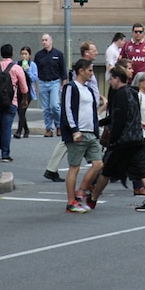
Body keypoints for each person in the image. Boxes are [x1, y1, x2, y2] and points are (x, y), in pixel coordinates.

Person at [89, 65, 145, 212]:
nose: (110, 82)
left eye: (111, 79)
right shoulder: (132, 92)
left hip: (123, 141)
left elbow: (118, 119)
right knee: (142, 170)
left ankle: (93, 199)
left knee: (107, 170)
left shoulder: (120, 94)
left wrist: (113, 139)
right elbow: (131, 115)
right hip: (136, 138)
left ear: (117, 78)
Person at [43, 41, 102, 182]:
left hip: (89, 110)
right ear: (86, 53)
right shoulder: (80, 73)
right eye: (93, 50)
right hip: (79, 118)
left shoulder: (89, 69)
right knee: (68, 145)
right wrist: (74, 128)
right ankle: (53, 170)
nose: (96, 52)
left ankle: (52, 169)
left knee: (74, 145)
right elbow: (72, 101)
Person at [61, 58, 104, 213]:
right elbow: (67, 109)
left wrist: (96, 130)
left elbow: (92, 112)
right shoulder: (71, 87)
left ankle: (81, 191)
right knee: (75, 167)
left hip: (90, 133)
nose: (92, 74)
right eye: (90, 70)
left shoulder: (89, 90)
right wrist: (74, 130)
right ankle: (71, 202)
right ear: (81, 71)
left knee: (98, 163)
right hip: (77, 133)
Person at [0, 44, 29, 161]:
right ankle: (5, 153)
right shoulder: (16, 68)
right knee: (6, 126)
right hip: (11, 101)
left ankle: (2, 147)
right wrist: (24, 100)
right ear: (12, 54)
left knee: (2, 124)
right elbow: (24, 88)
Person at [34, 33, 66, 137]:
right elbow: (35, 71)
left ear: (51, 41)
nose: (44, 42)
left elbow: (63, 69)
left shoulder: (58, 54)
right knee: (46, 108)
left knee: (55, 106)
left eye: (46, 40)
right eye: (43, 40)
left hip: (55, 82)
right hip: (43, 82)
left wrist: (64, 83)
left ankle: (59, 126)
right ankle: (48, 129)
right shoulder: (39, 55)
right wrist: (35, 84)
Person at [14, 46, 38, 138]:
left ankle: (19, 131)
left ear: (29, 55)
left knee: (22, 110)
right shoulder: (17, 64)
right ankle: (26, 130)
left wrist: (27, 70)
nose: (24, 56)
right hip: (18, 90)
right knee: (20, 111)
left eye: (26, 54)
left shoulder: (32, 65)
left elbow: (34, 78)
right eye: (22, 54)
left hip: (28, 91)